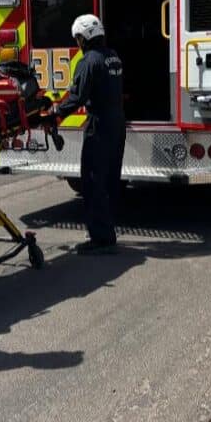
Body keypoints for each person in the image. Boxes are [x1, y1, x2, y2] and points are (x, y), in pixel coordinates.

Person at [53, 13, 126, 254]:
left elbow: (78, 96)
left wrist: (56, 113)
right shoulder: (113, 57)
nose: (77, 43)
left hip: (100, 124)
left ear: (83, 38)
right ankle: (108, 229)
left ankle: (100, 238)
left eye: (77, 38)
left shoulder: (89, 61)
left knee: (93, 181)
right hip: (117, 123)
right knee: (109, 180)